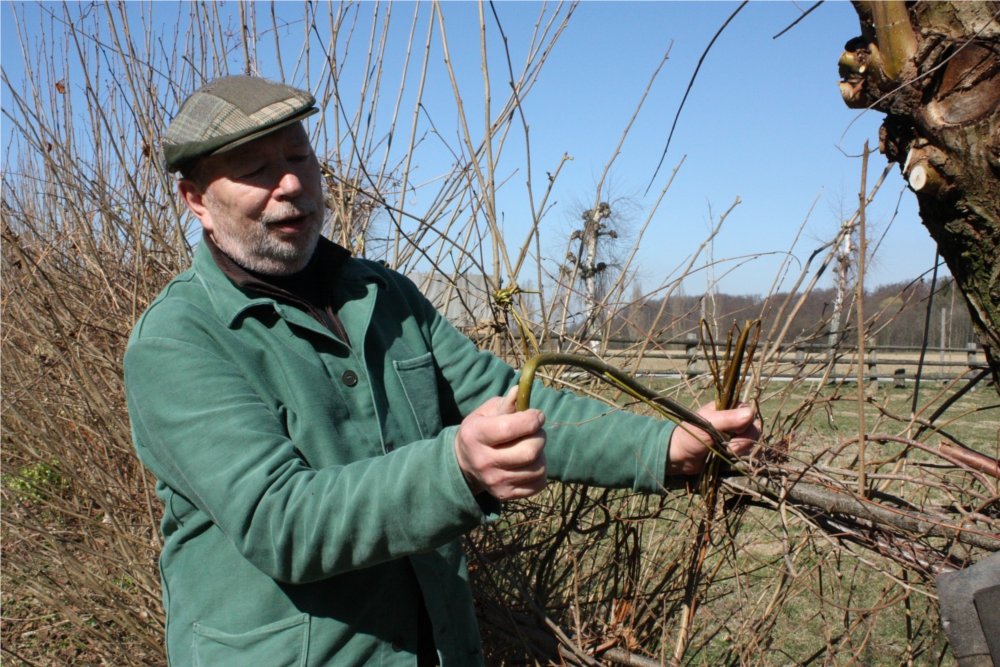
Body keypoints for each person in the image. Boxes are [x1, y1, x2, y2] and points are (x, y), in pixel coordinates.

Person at [124, 75, 759, 666]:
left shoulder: (381, 295)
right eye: (256, 171)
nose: (289, 184)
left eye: (299, 158)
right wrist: (457, 468)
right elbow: (280, 522)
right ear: (196, 200)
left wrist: (666, 443)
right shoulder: (180, 340)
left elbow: (511, 404)